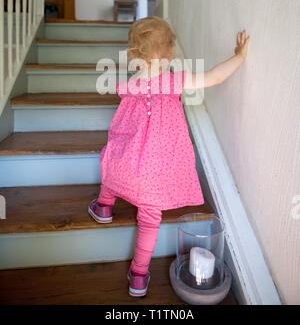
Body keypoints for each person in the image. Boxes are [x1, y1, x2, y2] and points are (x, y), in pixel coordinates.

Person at [88, 16, 250, 297]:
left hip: (130, 159)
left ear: (136, 54)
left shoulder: (131, 86)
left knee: (113, 159)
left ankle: (103, 207)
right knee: (150, 215)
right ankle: (139, 275)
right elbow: (214, 76)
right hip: (156, 168)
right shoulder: (175, 81)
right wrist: (238, 57)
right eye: (171, 49)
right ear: (168, 53)